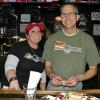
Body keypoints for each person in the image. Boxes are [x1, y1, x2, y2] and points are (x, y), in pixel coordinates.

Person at [42, 3, 100, 90]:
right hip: (53, 86)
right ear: (61, 18)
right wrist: (51, 75)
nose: (67, 17)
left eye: (71, 14)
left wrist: (78, 78)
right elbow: (47, 66)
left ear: (77, 17)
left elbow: (93, 69)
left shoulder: (87, 39)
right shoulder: (52, 39)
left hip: (76, 87)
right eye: (64, 14)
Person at [4, 21, 46, 90]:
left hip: (31, 91)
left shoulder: (43, 51)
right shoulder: (19, 46)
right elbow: (10, 65)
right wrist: (13, 80)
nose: (37, 33)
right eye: (33, 31)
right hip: (14, 88)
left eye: (39, 31)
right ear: (27, 35)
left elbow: (43, 75)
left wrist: (43, 93)